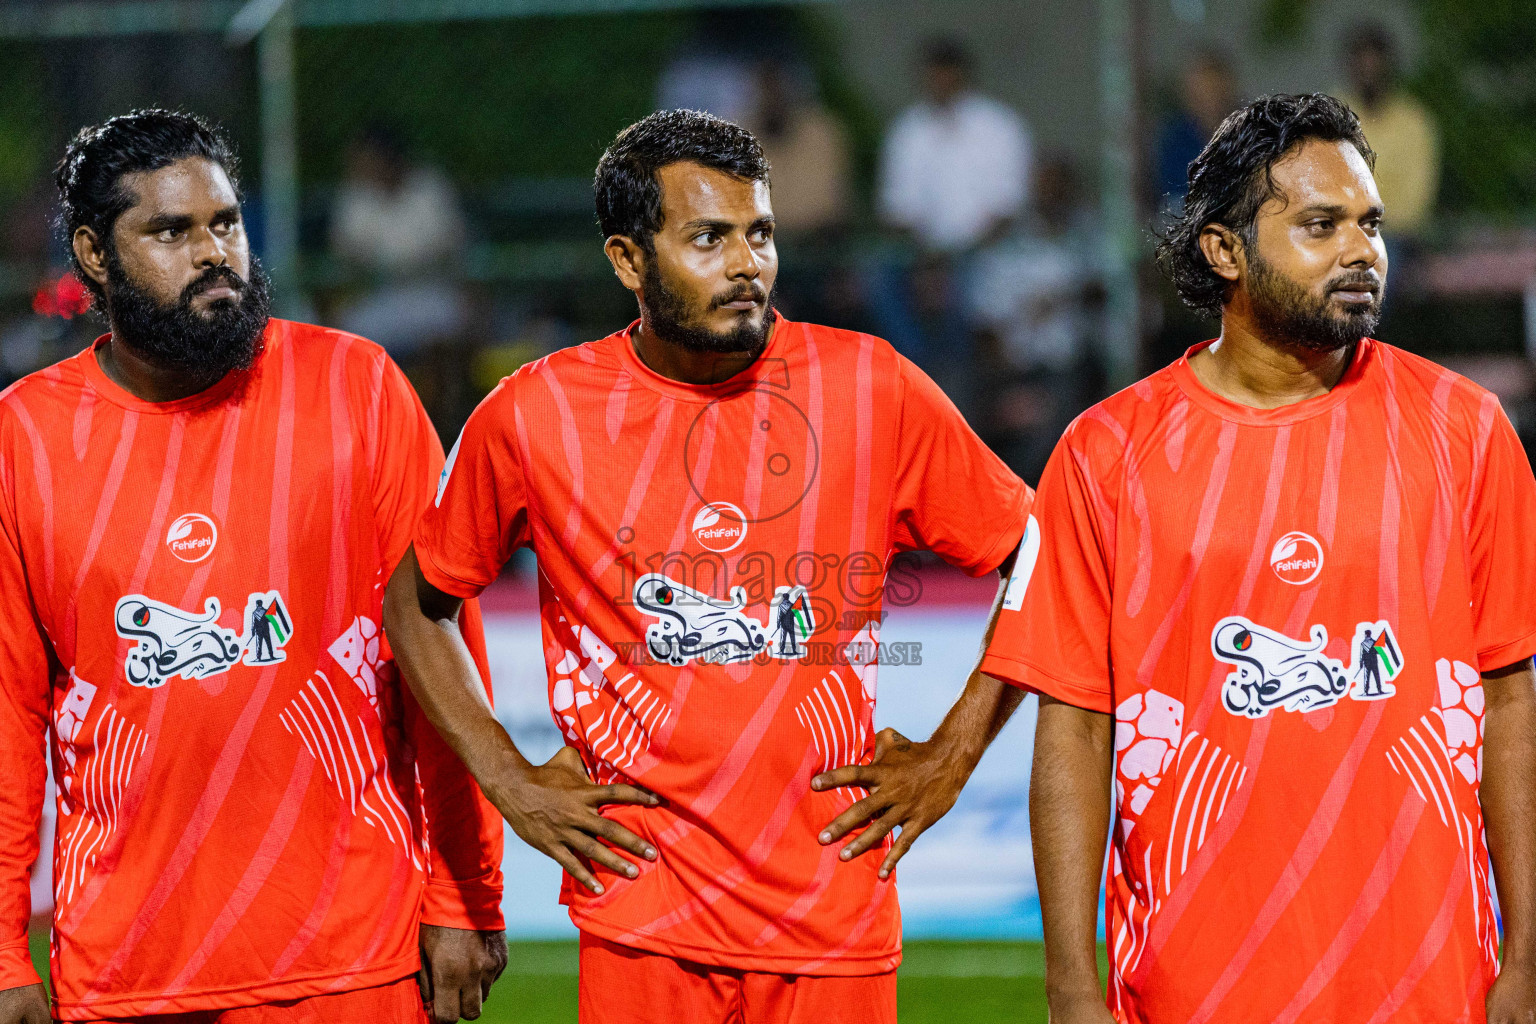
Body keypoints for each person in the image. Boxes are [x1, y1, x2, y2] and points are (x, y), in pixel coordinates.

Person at [384, 109, 1033, 1024]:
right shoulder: (535, 415)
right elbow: (415, 604)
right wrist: (511, 779)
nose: (746, 265)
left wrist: (956, 752)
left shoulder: (870, 386)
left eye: (759, 233)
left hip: (831, 921)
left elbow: (1044, 559)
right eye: (708, 238)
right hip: (640, 916)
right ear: (626, 260)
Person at [982, 94, 1536, 1023]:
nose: (1362, 251)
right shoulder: (1105, 453)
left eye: (1371, 224)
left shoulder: (1467, 432)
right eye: (1321, 225)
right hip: (1193, 987)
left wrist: (1527, 954)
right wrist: (1072, 985)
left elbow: (1515, 701)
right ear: (1225, 250)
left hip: (1432, 981)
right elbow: (1073, 727)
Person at [0, 110, 507, 1024]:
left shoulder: (358, 389)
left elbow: (445, 655)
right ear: (92, 254)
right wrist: (2, 952)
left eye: (224, 223)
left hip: (356, 957)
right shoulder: (23, 440)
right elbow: (4, 712)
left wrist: (465, 892)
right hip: (128, 969)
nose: (214, 254)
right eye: (170, 231)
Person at [877, 38, 1032, 253]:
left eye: (945, 72)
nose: (939, 80)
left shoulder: (1000, 126)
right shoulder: (907, 129)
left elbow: (1009, 205)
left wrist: (966, 254)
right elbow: (898, 209)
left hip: (990, 254)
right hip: (923, 261)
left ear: (961, 74)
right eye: (933, 73)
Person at [329, 125, 469, 360]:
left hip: (430, 291)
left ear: (389, 158)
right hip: (378, 296)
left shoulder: (429, 189)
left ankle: (439, 397)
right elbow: (347, 256)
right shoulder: (356, 197)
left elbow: (451, 249)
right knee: (344, 334)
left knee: (449, 324)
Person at [1338, 23, 1440, 238]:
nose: (1368, 70)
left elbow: (1415, 201)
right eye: (1361, 62)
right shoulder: (1333, 114)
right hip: (1340, 228)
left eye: (1373, 62)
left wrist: (1371, 222)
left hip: (1393, 235)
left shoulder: (1413, 121)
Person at [1153, 48, 1239, 209]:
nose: (1208, 98)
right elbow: (1172, 193)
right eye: (1200, 90)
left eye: (1213, 88)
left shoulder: (1250, 129)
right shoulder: (1175, 139)